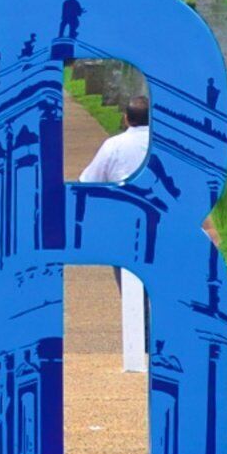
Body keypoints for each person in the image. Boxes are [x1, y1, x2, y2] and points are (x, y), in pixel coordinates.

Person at [79, 96, 154, 372]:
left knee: (132, 284)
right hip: (163, 223)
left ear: (126, 118)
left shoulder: (114, 146)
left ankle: (142, 341)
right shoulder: (165, 146)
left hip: (124, 227)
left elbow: (88, 181)